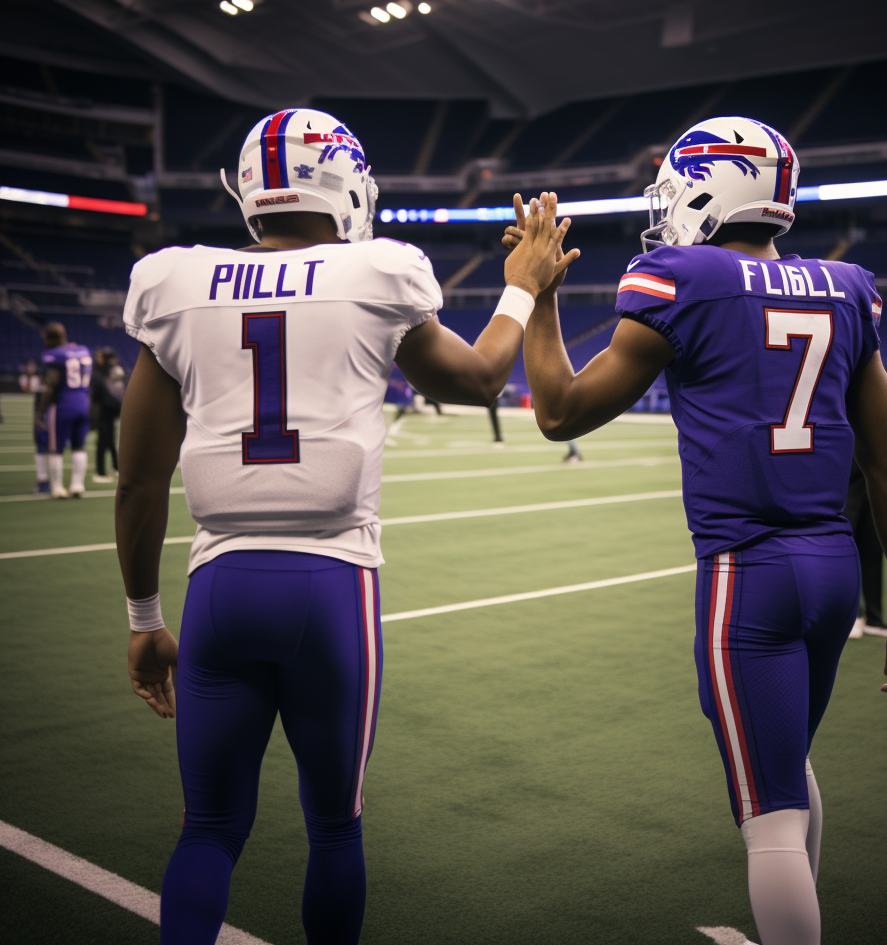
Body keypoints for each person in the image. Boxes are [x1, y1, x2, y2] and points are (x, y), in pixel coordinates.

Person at [114, 107, 576, 945]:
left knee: (208, 830)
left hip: (219, 586)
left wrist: (145, 620)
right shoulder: (379, 272)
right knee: (334, 827)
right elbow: (478, 381)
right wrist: (523, 284)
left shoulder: (171, 282)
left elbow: (140, 481)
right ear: (347, 186)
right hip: (331, 586)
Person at [508, 117, 887, 945]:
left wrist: (540, 298)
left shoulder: (683, 277)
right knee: (789, 769)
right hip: (834, 567)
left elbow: (559, 411)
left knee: (767, 817)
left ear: (710, 189)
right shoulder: (848, 286)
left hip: (748, 575)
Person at [36, 322, 92, 498]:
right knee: (79, 447)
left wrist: (40, 412)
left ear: (52, 338)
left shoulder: (54, 355)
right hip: (83, 402)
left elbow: (51, 384)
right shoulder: (83, 350)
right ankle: (77, 485)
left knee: (55, 448)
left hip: (63, 404)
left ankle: (58, 487)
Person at [843, 460, 887, 638]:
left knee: (873, 552)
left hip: (870, 487)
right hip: (845, 488)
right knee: (846, 555)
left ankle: (873, 618)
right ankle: (852, 616)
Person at [90, 348, 125, 483]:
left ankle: (101, 472)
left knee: (103, 442)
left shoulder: (103, 372)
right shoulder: (113, 371)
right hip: (110, 409)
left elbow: (98, 392)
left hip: (104, 410)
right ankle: (116, 467)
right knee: (109, 440)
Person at [19, 359, 49, 493]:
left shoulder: (44, 390)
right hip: (55, 420)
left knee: (43, 450)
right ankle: (51, 483)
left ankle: (44, 483)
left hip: (48, 421)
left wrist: (38, 419)